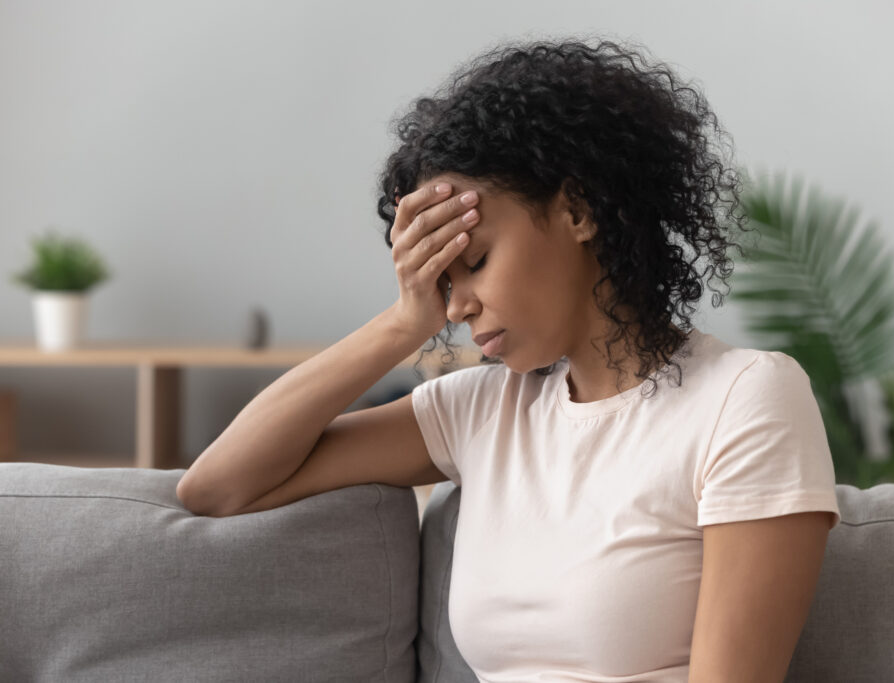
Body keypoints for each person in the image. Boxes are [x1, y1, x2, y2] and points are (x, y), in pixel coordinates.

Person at [177, 37, 842, 682]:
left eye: (474, 262)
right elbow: (218, 486)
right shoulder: (480, 409)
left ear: (578, 210)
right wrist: (402, 323)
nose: (458, 306)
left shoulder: (744, 398)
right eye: (441, 284)